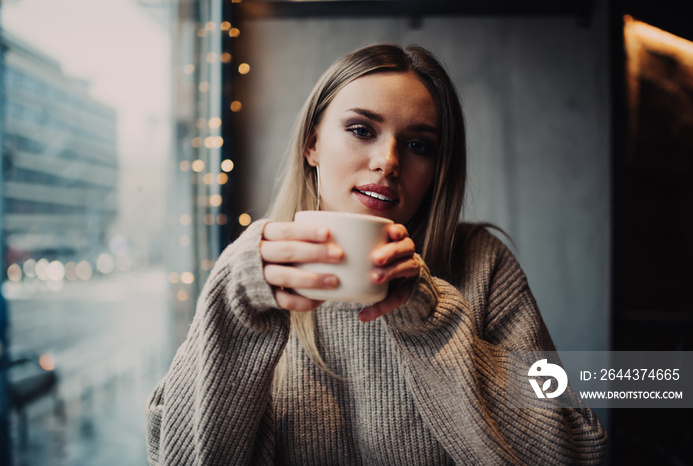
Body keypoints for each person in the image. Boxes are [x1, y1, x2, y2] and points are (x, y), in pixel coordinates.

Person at [145, 44, 607, 465]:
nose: (388, 161)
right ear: (312, 143)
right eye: (361, 130)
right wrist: (236, 298)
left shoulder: (480, 262)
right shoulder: (255, 272)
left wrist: (431, 320)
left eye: (417, 145)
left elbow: (576, 448)